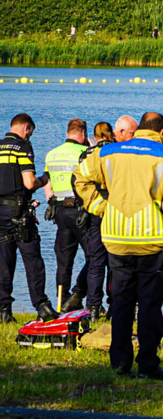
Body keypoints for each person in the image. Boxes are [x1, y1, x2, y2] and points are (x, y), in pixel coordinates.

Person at [75, 112, 163, 380]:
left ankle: (120, 365)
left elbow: (80, 177)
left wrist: (101, 208)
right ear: (162, 131)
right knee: (149, 306)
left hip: (117, 239)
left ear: (139, 129)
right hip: (152, 241)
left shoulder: (109, 153)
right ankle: (147, 365)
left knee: (120, 303)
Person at [0, 114, 56, 324]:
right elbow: (29, 183)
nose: (30, 135)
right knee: (33, 260)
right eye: (31, 131)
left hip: (0, 213)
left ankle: (4, 310)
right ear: (26, 127)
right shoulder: (23, 147)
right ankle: (41, 306)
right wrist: (44, 179)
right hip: (19, 214)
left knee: (4, 263)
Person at [43, 118, 90, 311]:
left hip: (60, 211)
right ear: (83, 134)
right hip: (80, 211)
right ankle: (79, 293)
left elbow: (47, 182)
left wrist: (51, 201)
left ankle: (62, 302)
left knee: (63, 260)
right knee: (95, 256)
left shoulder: (52, 154)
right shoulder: (83, 153)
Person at [77, 121, 117, 318]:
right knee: (116, 262)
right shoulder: (117, 152)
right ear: (111, 134)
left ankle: (92, 306)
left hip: (94, 210)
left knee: (95, 261)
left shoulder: (87, 154)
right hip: (114, 209)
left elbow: (77, 181)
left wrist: (89, 203)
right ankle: (114, 304)